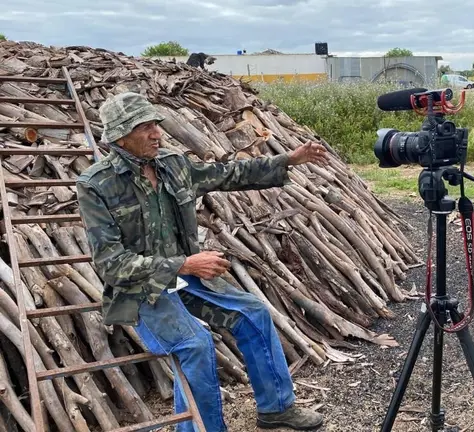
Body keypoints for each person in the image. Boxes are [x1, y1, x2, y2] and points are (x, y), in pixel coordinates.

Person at [75, 91, 329, 431]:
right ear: (121, 136)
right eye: (145, 127)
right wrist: (183, 265)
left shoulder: (173, 165)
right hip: (140, 291)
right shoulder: (96, 185)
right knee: (195, 344)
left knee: (254, 314)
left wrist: (288, 160)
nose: (157, 134)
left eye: (156, 125)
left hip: (185, 279)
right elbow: (111, 264)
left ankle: (276, 408)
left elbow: (228, 174)